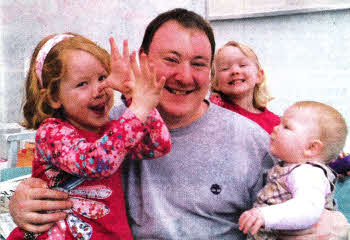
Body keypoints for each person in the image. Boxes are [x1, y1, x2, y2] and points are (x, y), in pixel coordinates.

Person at [9, 8, 349, 240]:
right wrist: (24, 203)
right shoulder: (103, 126)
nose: (185, 76)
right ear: (142, 61)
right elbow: (59, 174)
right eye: (171, 60)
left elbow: (310, 205)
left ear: (210, 74)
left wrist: (329, 225)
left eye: (199, 63)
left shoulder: (253, 141)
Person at [8, 32, 171, 240]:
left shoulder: (113, 133)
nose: (99, 89)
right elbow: (97, 161)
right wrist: (138, 108)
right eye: (82, 83)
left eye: (102, 78)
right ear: (54, 96)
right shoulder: (51, 133)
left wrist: (133, 96)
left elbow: (159, 145)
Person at [239, 101, 347, 240]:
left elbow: (308, 209)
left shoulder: (308, 173)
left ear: (311, 148)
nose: (276, 128)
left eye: (287, 127)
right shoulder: (287, 167)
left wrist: (265, 215)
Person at [210, 41, 280, 134]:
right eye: (225, 68)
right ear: (215, 82)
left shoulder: (276, 124)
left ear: (259, 76)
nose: (235, 71)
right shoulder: (214, 109)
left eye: (242, 65)